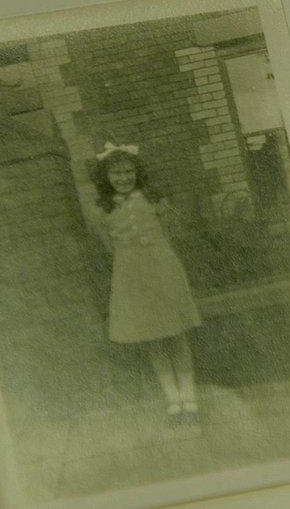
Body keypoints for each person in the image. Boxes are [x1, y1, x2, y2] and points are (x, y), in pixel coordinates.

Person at [91, 141, 202, 424]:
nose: (123, 178)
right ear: (106, 177)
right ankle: (173, 399)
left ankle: (189, 398)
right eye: (116, 174)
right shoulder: (102, 210)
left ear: (137, 172)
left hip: (163, 269)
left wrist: (161, 258)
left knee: (176, 334)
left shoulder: (153, 199)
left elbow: (170, 232)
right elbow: (108, 246)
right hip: (131, 275)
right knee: (153, 339)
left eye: (128, 171)